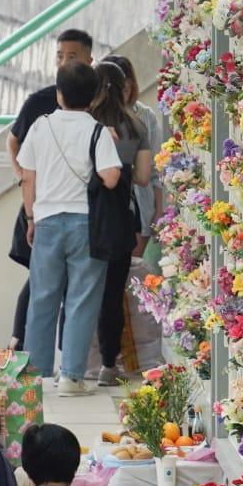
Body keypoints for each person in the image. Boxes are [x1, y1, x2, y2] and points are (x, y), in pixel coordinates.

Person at [19, 62, 122, 396]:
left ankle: (35, 378)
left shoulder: (39, 126)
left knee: (42, 299)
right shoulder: (97, 130)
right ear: (93, 97)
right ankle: (71, 377)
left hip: (47, 220)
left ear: (59, 93)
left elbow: (27, 176)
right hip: (86, 223)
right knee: (81, 299)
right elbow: (111, 177)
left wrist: (31, 218)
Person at [8, 28, 95, 351]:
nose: (63, 62)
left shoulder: (93, 99)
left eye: (71, 56)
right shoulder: (40, 101)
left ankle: (60, 356)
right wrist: (22, 176)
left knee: (67, 287)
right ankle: (23, 344)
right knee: (42, 284)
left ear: (89, 59)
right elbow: (13, 140)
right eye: (59, 56)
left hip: (79, 212)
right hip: (43, 209)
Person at [89, 60, 152, 386]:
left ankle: (72, 364)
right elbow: (143, 178)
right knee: (112, 296)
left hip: (86, 220)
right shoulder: (136, 126)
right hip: (121, 221)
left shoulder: (87, 124)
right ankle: (108, 367)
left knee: (81, 292)